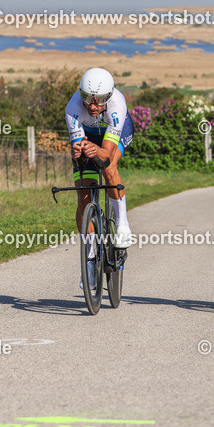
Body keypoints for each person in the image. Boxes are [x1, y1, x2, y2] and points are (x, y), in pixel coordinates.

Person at [66, 68, 134, 288]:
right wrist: (77, 154)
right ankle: (89, 260)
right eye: (87, 98)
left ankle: (122, 224)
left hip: (114, 135)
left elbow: (106, 154)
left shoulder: (117, 105)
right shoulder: (73, 109)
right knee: (83, 194)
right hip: (88, 135)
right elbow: (78, 157)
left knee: (109, 166)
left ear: (109, 96)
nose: (93, 106)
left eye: (100, 100)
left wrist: (96, 150)